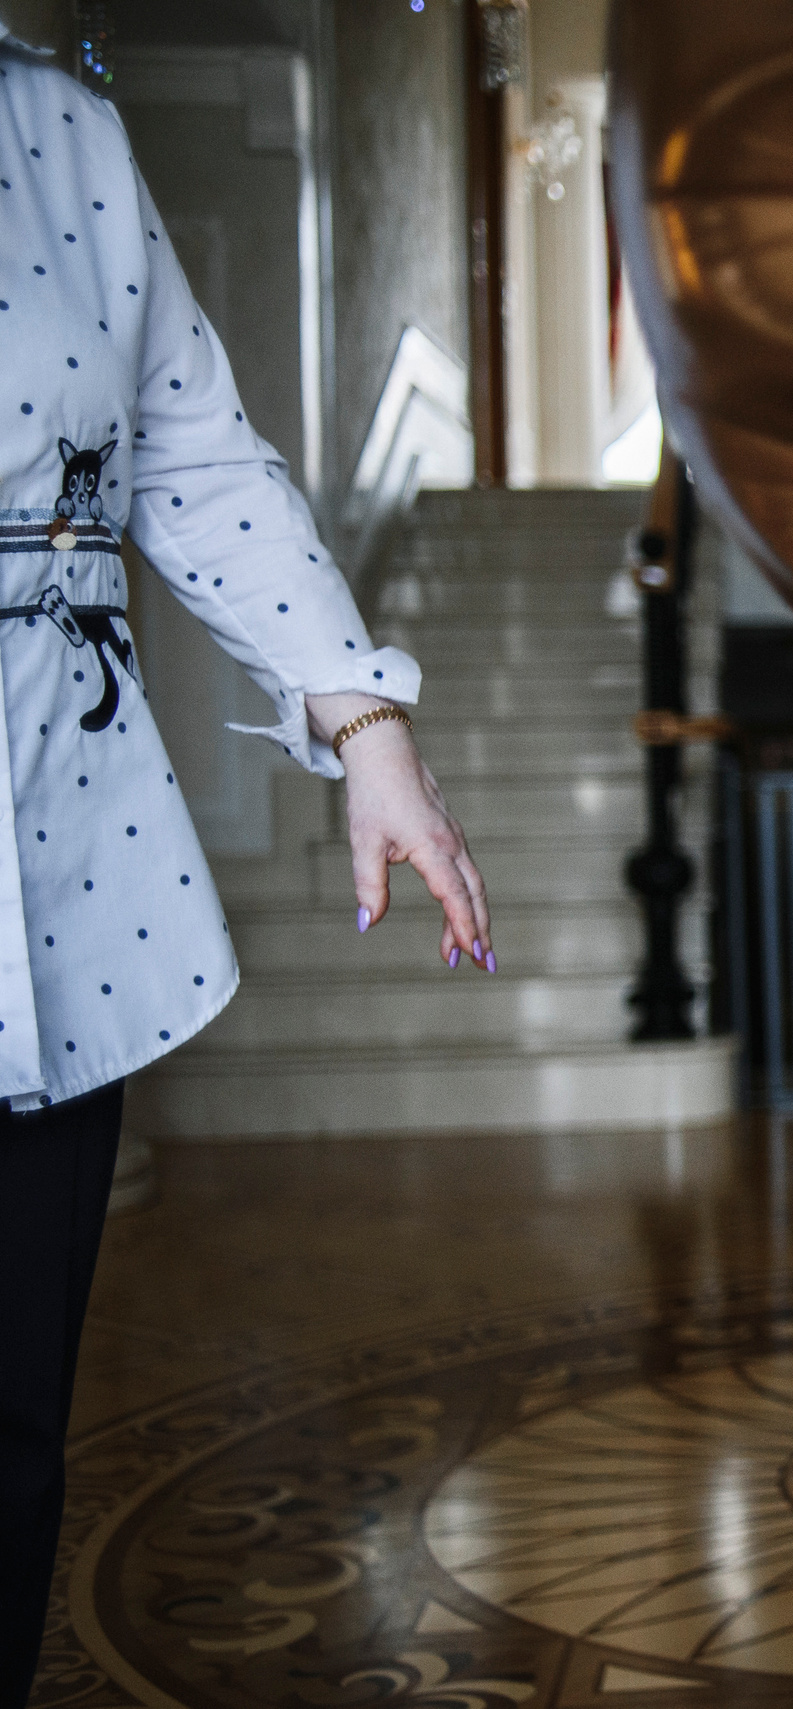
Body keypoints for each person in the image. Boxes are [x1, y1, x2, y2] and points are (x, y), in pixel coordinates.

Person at [0, 27, 493, 1704]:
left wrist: (369, 729)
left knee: (9, 1435)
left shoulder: (54, 124)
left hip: (52, 855)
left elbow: (189, 451)